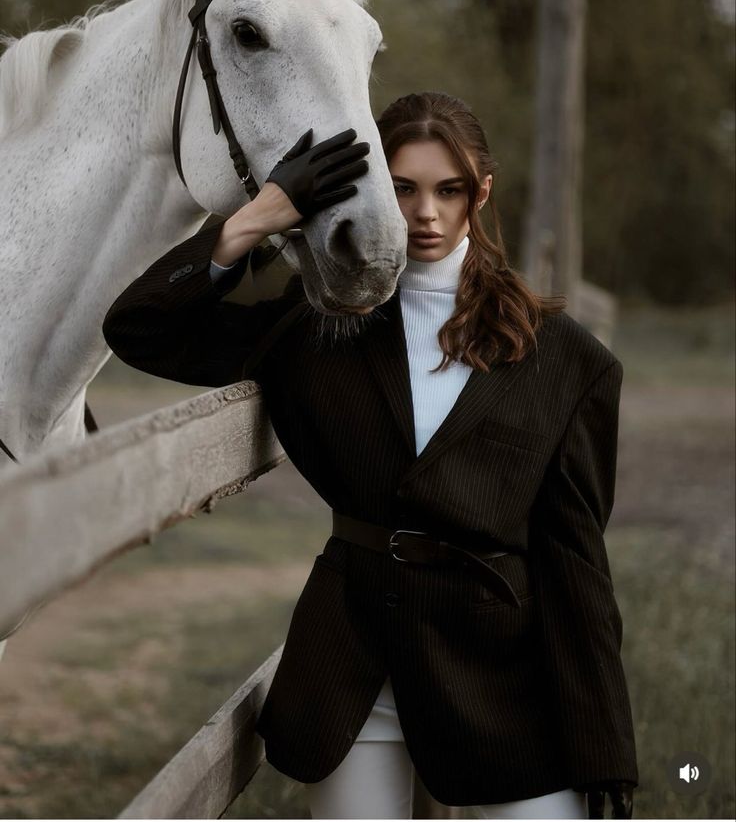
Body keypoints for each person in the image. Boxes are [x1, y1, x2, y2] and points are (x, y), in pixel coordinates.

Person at [102, 91, 638, 819]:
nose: (425, 212)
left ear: (481, 191)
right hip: (353, 672)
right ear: (372, 187)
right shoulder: (314, 322)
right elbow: (140, 330)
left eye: (448, 190)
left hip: (503, 685)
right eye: (403, 187)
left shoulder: (569, 362)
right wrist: (261, 214)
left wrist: (604, 747)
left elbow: (576, 564)